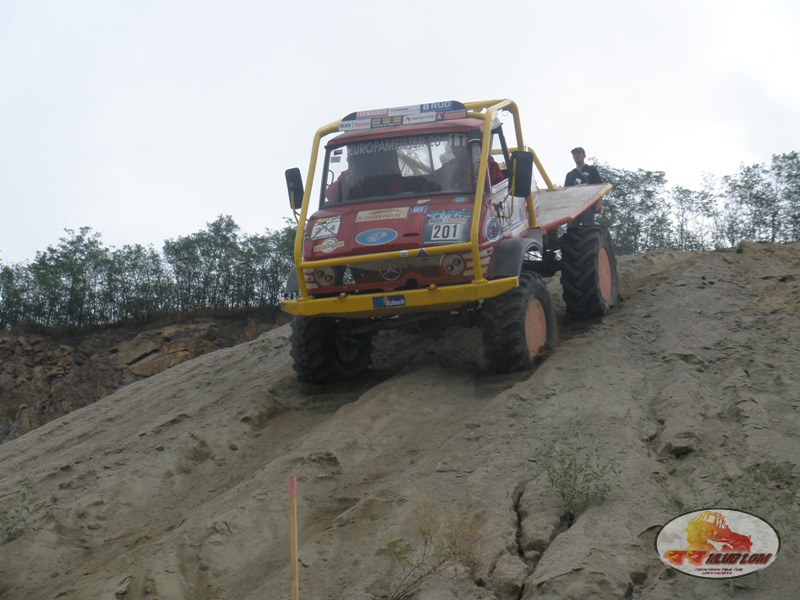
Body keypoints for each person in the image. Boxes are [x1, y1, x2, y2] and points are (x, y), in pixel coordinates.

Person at [564, 146, 603, 227]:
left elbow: (600, 187)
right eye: (574, 154)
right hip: (573, 207)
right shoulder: (570, 175)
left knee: (588, 228)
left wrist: (599, 203)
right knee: (571, 230)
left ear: (584, 155)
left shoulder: (591, 170)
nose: (576, 156)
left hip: (588, 205)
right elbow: (566, 193)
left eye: (579, 153)